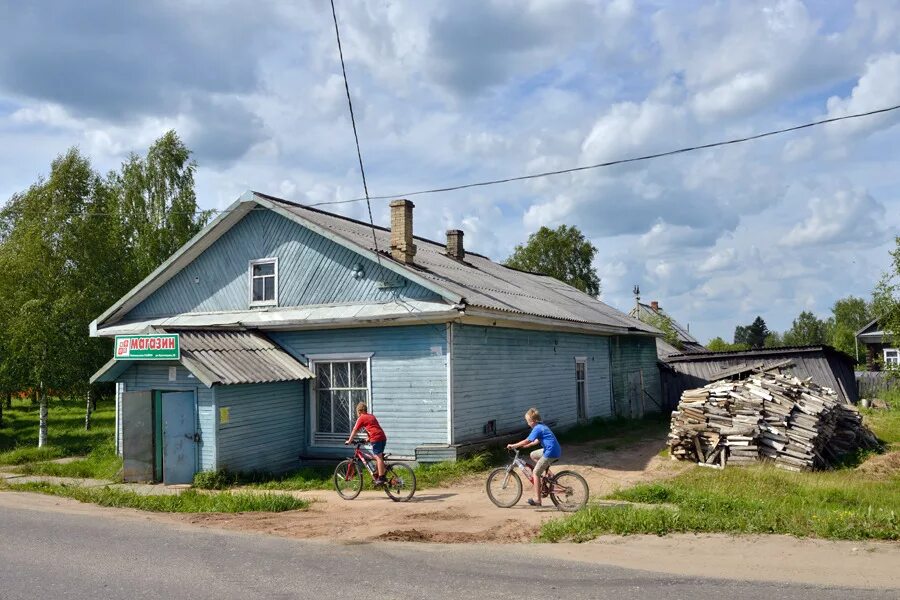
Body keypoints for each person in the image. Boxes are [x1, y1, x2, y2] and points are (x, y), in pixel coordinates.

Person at [506, 407, 561, 507]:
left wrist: (514, 445)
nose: (528, 424)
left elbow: (527, 440)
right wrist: (529, 446)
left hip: (550, 452)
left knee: (535, 473)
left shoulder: (537, 428)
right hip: (553, 450)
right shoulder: (542, 426)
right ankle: (550, 475)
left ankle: (538, 500)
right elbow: (537, 440)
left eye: (529, 421)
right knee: (533, 454)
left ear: (534, 421)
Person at [345, 402, 388, 486]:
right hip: (382, 437)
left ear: (359, 411)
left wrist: (349, 441)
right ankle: (380, 471)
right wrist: (368, 439)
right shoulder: (371, 416)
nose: (357, 414)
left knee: (378, 457)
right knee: (378, 456)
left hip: (376, 438)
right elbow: (374, 428)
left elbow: (355, 430)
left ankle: (381, 478)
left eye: (357, 412)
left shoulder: (362, 418)